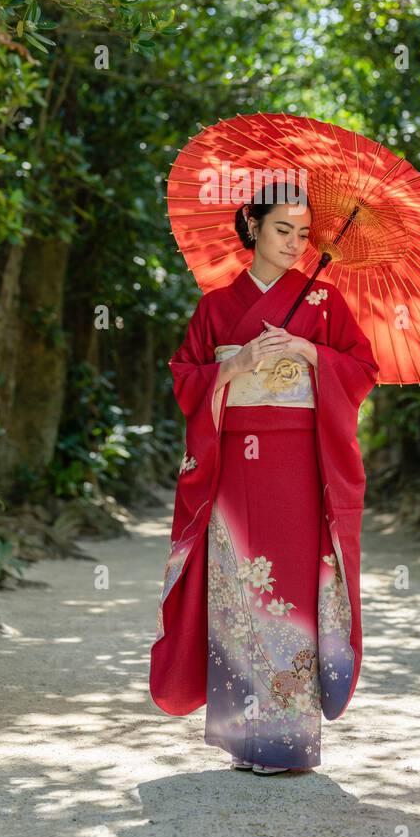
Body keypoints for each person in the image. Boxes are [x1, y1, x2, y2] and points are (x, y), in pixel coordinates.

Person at [149, 184, 379, 775]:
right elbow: (184, 378)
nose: (295, 244)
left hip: (299, 469)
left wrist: (309, 351)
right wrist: (235, 365)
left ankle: (283, 742)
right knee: (236, 595)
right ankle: (239, 737)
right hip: (231, 469)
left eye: (304, 235)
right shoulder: (216, 306)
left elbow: (361, 371)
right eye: (283, 230)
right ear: (252, 224)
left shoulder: (325, 302)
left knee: (289, 596)